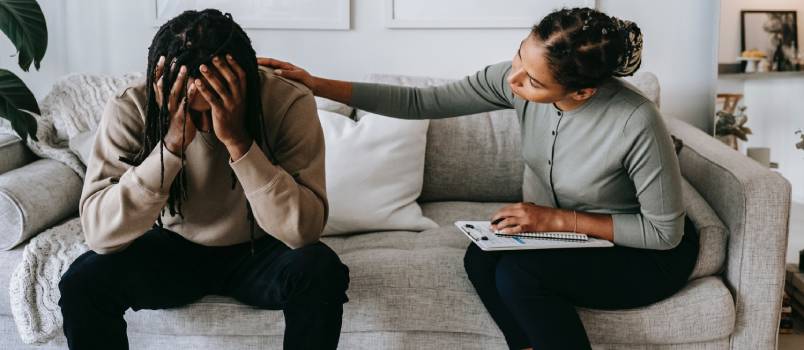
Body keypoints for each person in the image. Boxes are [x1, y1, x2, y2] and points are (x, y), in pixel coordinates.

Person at [258, 7, 698, 350]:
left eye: (532, 82)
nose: (513, 79)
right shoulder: (516, 81)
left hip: (640, 253)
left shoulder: (636, 120)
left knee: (519, 276)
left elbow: (664, 234)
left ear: (582, 92)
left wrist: (556, 221)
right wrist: (315, 84)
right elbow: (420, 101)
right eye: (519, 56)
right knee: (481, 257)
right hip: (571, 241)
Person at [58, 9, 349, 350]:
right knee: (81, 281)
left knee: (320, 269)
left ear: (244, 81)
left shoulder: (287, 100)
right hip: (174, 246)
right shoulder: (132, 106)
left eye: (216, 104)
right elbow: (100, 234)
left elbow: (304, 231)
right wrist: (170, 147)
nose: (207, 125)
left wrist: (239, 142)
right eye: (194, 109)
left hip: (262, 246)